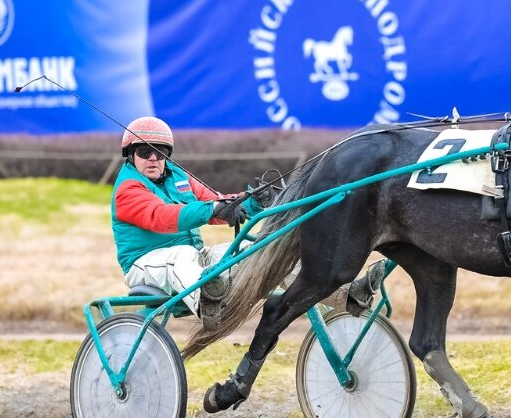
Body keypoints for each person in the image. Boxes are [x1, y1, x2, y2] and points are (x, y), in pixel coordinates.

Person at [112, 116, 385, 330]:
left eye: (159, 152)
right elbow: (164, 217)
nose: (153, 159)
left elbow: (217, 203)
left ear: (167, 155)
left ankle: (349, 295)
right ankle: (207, 304)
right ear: (130, 154)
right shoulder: (128, 188)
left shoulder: (177, 176)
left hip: (192, 260)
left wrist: (250, 202)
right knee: (180, 256)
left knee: (260, 253)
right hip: (145, 263)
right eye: (144, 152)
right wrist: (211, 209)